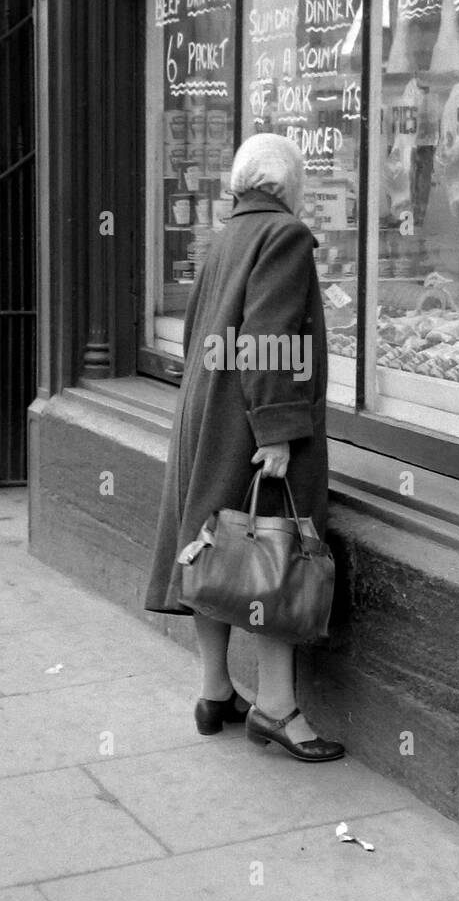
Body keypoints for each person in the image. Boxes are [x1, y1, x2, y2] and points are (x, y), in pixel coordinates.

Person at [145, 132, 344, 762]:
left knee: (212, 540)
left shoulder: (226, 235)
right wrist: (279, 432)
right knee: (270, 545)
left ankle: (215, 692)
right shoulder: (284, 236)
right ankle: (278, 708)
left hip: (207, 411)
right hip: (252, 418)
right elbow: (269, 337)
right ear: (287, 187)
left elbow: (198, 331)